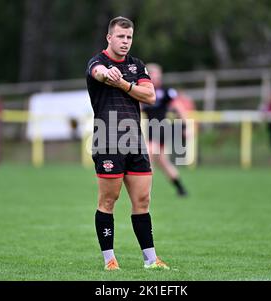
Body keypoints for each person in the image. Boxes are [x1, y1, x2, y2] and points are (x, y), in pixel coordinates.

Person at [86, 17, 169, 271]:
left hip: (135, 140)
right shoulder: (97, 62)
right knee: (108, 201)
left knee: (142, 200)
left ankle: (151, 260)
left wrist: (122, 82)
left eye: (129, 37)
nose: (125, 42)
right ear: (109, 38)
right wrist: (106, 74)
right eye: (120, 37)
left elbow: (150, 96)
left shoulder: (136, 65)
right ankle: (109, 259)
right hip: (108, 140)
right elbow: (98, 74)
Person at [141, 63, 189, 197]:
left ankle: (143, 190)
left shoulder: (167, 92)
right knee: (163, 162)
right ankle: (181, 189)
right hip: (151, 130)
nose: (156, 76)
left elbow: (180, 108)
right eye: (152, 74)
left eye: (157, 73)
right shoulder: (144, 92)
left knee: (148, 155)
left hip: (162, 129)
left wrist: (185, 127)